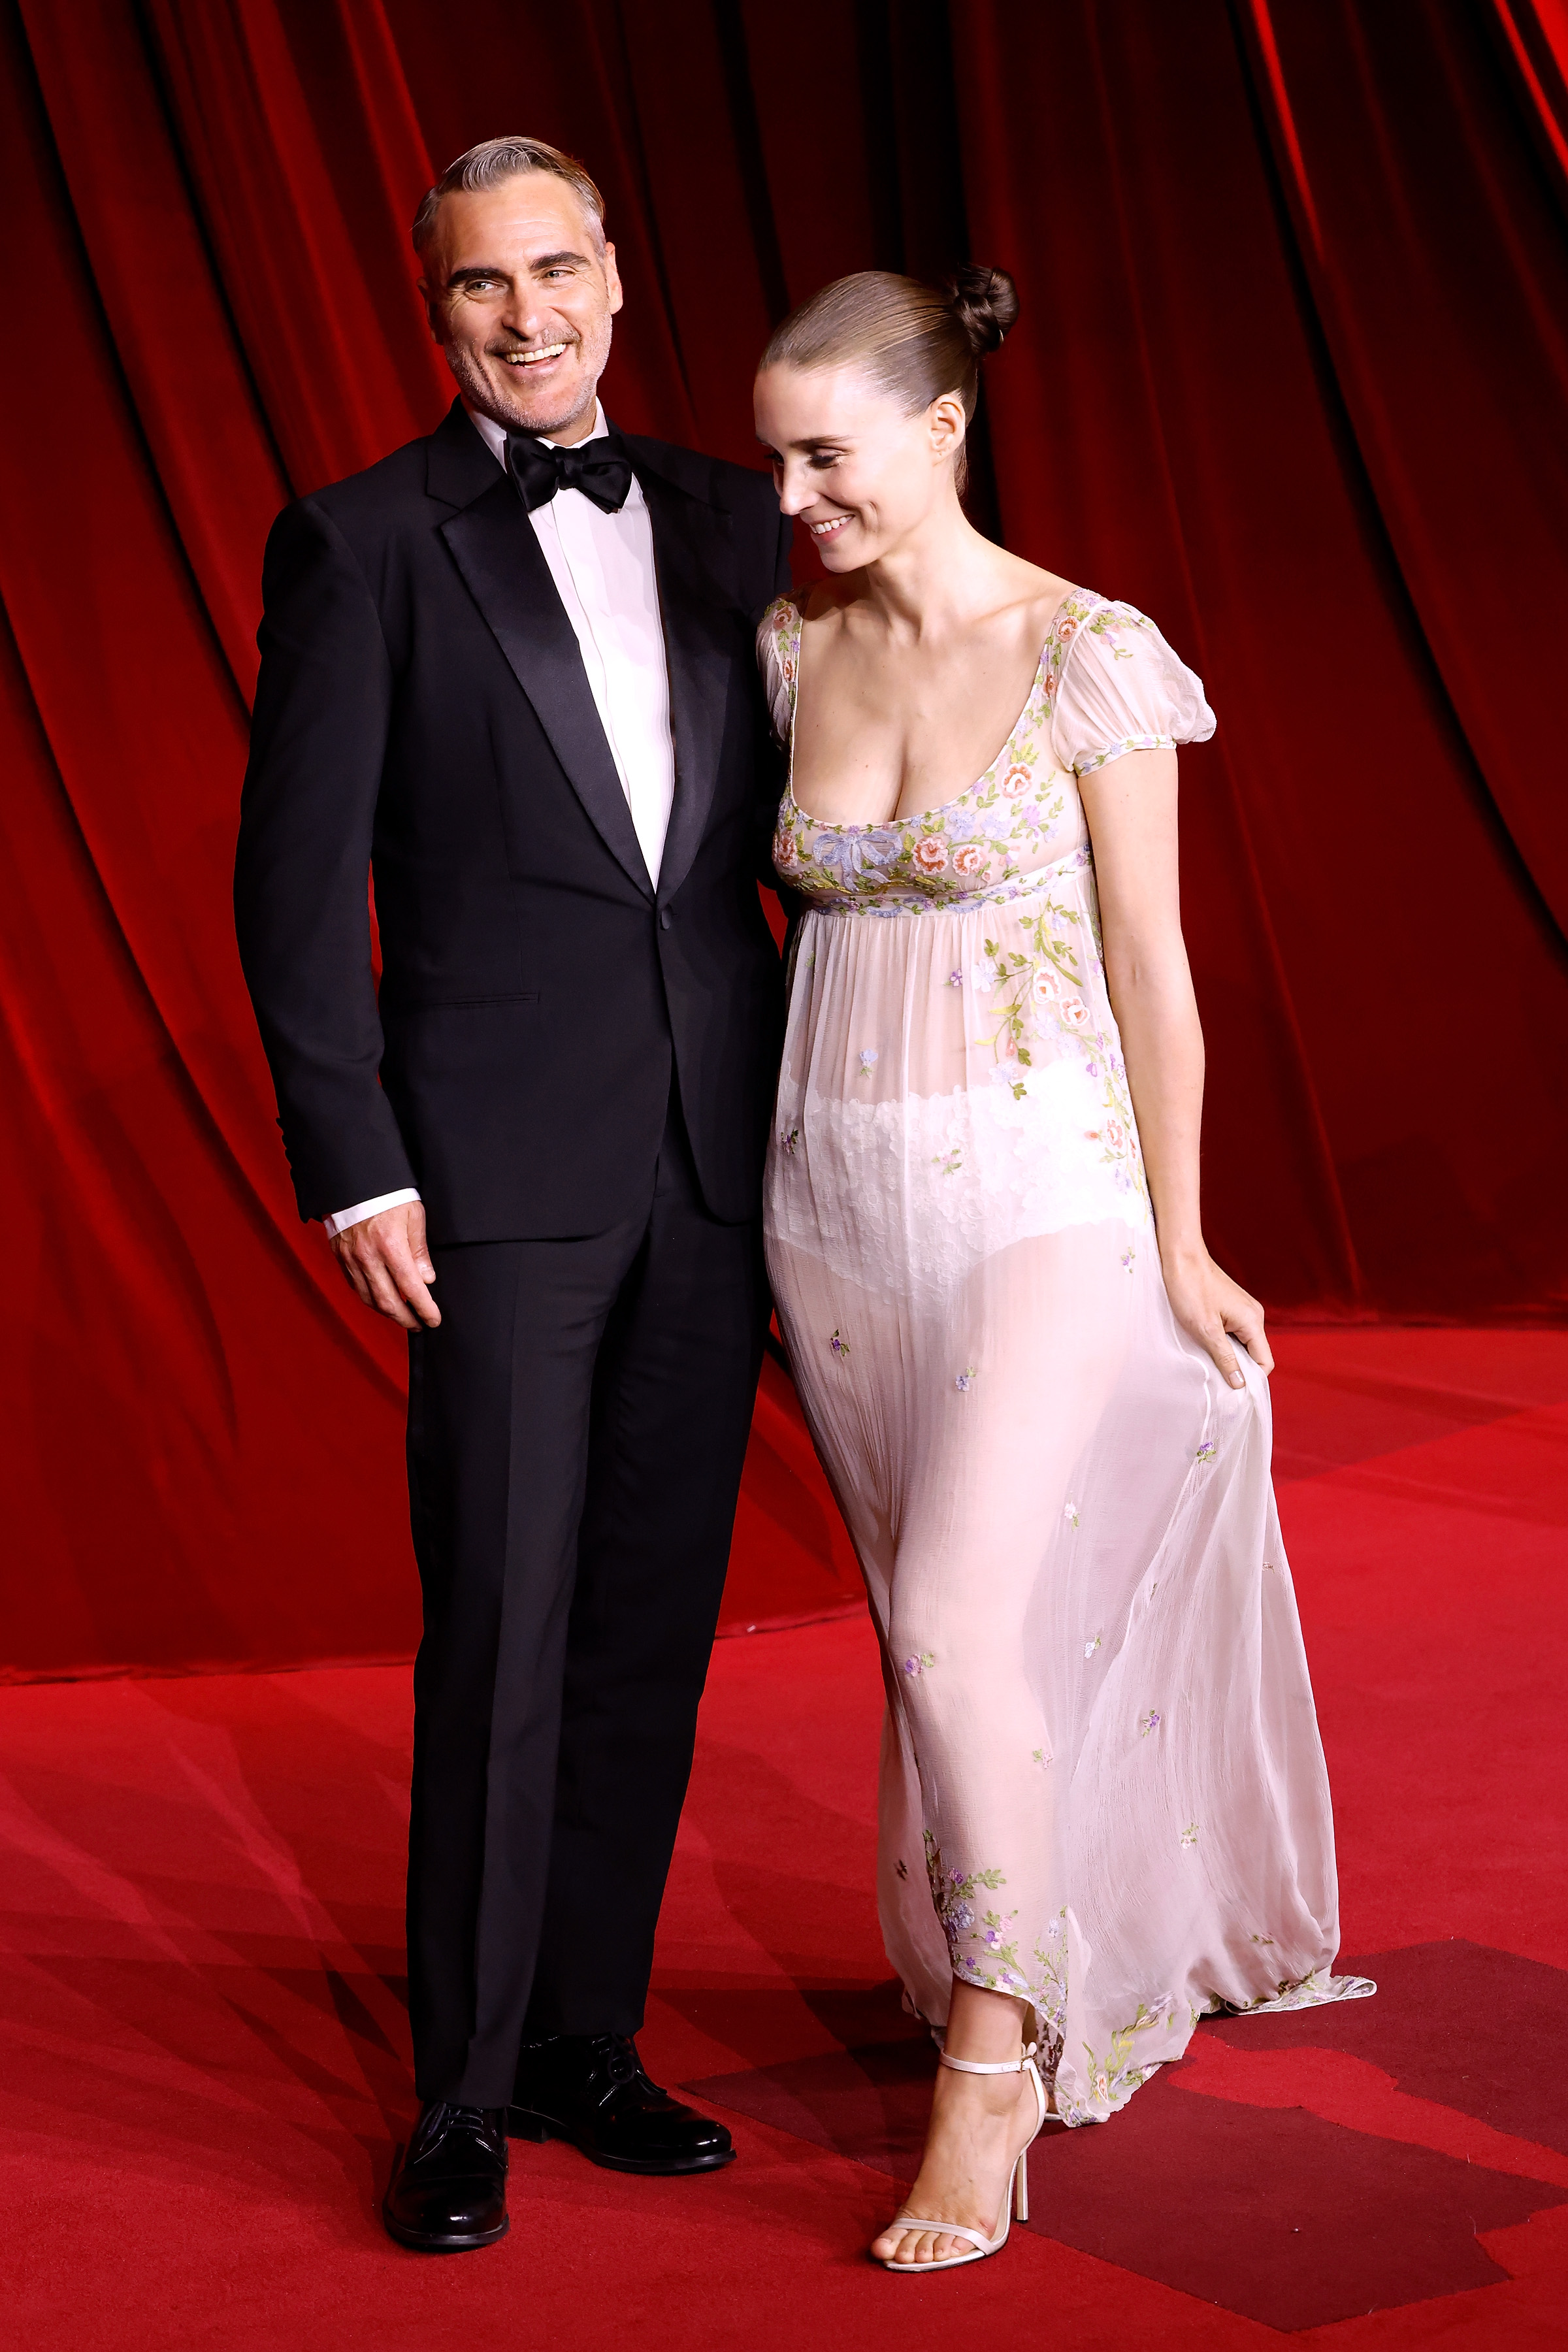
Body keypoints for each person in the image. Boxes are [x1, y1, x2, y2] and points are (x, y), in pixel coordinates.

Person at [753, 267, 1373, 2274]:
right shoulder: (790, 642)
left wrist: (1184, 1241)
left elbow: (1155, 975)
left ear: (941, 432)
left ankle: (993, 2068)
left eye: (826, 453)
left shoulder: (1090, 652)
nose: (795, 493)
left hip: (1046, 1190)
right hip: (828, 1212)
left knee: (951, 1617)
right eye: (777, 456)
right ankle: (1005, 1948)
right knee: (935, 1636)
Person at [235, 136, 792, 2253]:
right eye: (485, 288)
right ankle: (459, 2085)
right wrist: (355, 1153)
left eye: (559, 272)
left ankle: (588, 2038)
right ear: (437, 309)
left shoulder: (746, 523)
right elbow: (292, 895)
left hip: (718, 1166)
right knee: (504, 1623)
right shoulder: (359, 544)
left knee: (653, 1620)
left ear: (622, 281)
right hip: (489, 1181)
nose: (528, 316)